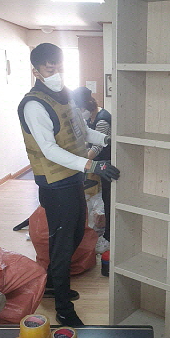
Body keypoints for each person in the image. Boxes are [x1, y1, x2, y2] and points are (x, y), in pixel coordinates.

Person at [18, 43, 120, 327]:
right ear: (37, 70)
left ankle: (52, 285)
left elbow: (82, 131)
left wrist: (107, 140)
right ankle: (63, 308)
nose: (56, 71)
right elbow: (49, 149)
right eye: (49, 67)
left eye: (59, 65)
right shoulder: (34, 105)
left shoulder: (65, 96)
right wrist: (92, 165)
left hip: (73, 177)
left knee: (75, 234)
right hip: (54, 184)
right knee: (62, 244)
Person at [73, 86, 112, 246]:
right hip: (99, 163)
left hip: (108, 163)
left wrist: (82, 162)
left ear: (88, 106)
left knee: (108, 198)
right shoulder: (91, 116)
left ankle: (109, 238)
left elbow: (97, 146)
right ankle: (104, 230)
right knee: (102, 197)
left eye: (81, 109)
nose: (80, 112)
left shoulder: (102, 119)